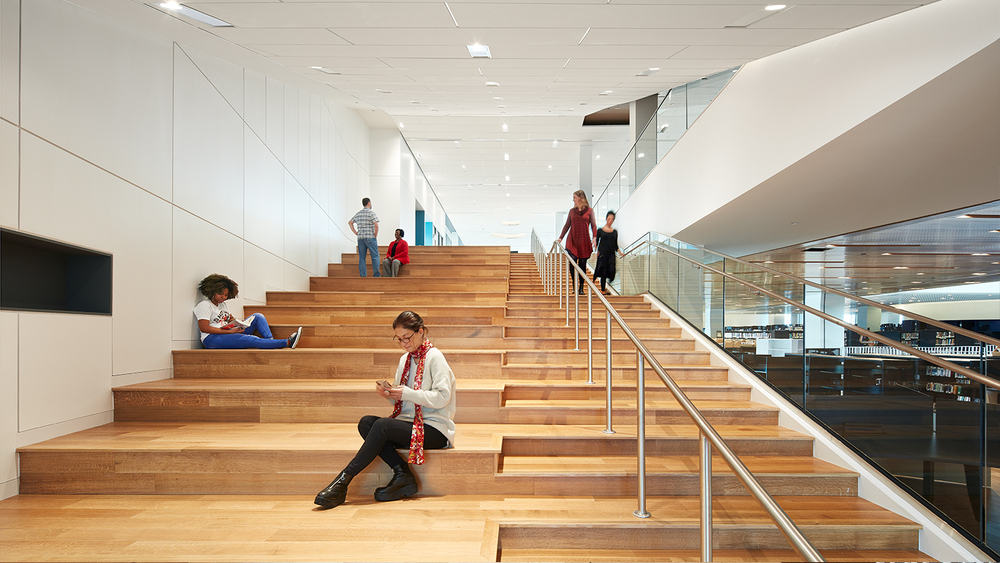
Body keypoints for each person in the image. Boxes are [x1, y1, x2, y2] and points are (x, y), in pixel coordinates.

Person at [315, 311, 456, 509]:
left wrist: (407, 393)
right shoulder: (405, 360)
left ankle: (343, 480)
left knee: (381, 426)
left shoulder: (435, 357)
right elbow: (404, 401)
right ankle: (402, 474)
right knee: (366, 423)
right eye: (398, 339)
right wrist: (389, 394)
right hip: (410, 421)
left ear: (421, 332)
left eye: (407, 338)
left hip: (434, 428)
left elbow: (443, 397)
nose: (404, 343)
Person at [194, 274, 302, 349]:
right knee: (252, 339)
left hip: (227, 333)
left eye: (226, 295)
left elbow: (230, 319)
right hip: (212, 339)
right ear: (212, 291)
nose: (223, 297)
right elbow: (204, 328)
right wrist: (229, 332)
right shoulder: (204, 305)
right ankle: (287, 342)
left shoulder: (223, 305)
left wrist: (239, 324)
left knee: (258, 316)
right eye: (221, 293)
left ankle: (269, 341)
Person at [556, 189, 598, 294]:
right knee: (572, 263)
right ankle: (575, 287)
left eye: (574, 197)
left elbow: (593, 225)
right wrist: (561, 237)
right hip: (572, 240)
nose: (573, 200)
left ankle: (581, 288)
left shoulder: (590, 211)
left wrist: (594, 237)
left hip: (583, 240)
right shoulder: (572, 211)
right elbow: (567, 225)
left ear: (580, 197)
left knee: (582, 265)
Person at [349, 197, 380, 277]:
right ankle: (376, 275)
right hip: (370, 237)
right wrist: (375, 235)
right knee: (375, 257)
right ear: (369, 203)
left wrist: (356, 232)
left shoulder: (358, 213)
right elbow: (376, 225)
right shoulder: (371, 213)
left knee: (362, 258)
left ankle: (363, 275)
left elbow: (350, 222)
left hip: (360, 238)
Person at [593, 211, 621, 295]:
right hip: (602, 254)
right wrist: (596, 252)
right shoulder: (600, 230)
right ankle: (603, 290)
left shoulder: (615, 232)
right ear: (606, 219)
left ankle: (609, 283)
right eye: (609, 219)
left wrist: (620, 252)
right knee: (603, 271)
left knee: (612, 270)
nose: (610, 221)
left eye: (612, 219)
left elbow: (615, 245)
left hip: (611, 254)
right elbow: (596, 242)